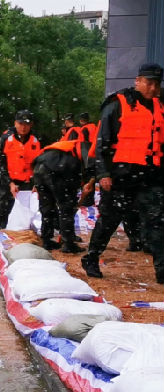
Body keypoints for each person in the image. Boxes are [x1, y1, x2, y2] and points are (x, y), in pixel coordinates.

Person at [82, 63, 164, 282]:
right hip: (120, 175)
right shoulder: (118, 104)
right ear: (138, 81)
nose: (153, 88)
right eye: (149, 83)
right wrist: (103, 174)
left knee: (157, 222)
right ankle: (91, 257)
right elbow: (102, 143)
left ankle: (161, 269)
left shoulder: (160, 106)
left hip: (151, 175)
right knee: (109, 219)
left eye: (157, 84)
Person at [0, 109, 42, 250]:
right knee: (3, 211)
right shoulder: (5, 139)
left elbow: (40, 163)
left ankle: (24, 242)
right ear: (15, 123)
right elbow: (0, 163)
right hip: (8, 181)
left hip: (28, 184)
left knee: (27, 214)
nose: (23, 127)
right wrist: (10, 183)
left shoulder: (37, 139)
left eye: (26, 124)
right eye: (20, 123)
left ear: (31, 125)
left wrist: (37, 183)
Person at [32, 136, 91, 252]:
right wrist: (89, 181)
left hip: (39, 167)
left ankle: (47, 240)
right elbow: (89, 166)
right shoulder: (88, 147)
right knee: (66, 207)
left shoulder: (67, 145)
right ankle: (68, 243)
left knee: (47, 208)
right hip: (58, 169)